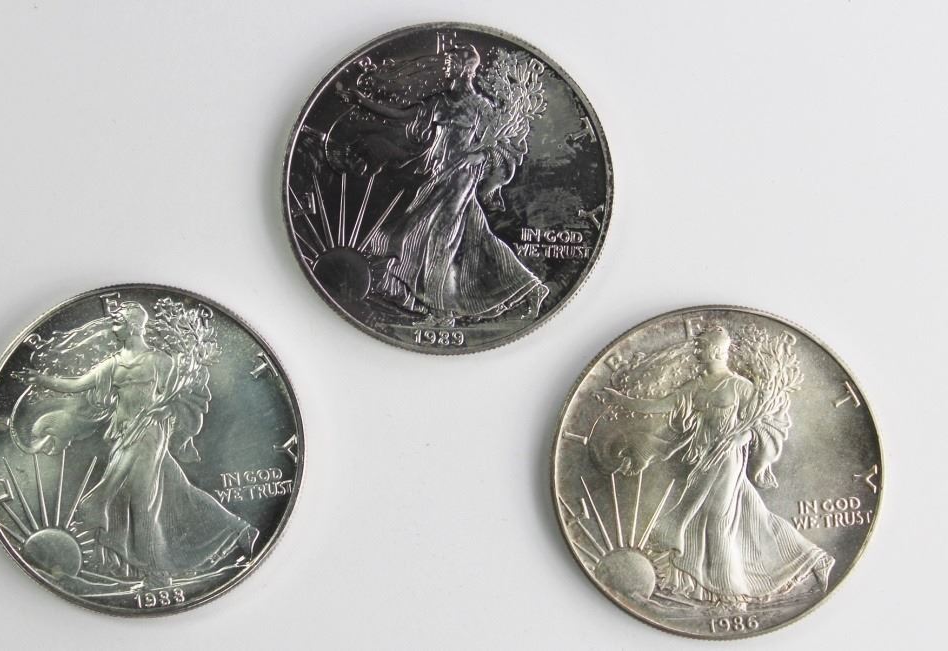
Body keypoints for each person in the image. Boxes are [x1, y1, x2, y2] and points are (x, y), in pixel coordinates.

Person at [18, 302, 257, 581]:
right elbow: (76, 384)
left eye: (117, 323)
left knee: (139, 500)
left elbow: (180, 397)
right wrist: (41, 379)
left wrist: (162, 410)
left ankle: (154, 568)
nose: (113, 328)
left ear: (132, 326)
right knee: (178, 490)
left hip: (149, 435)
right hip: (124, 436)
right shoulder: (113, 364)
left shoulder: (160, 361)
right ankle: (239, 530)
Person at [601, 327, 832, 606]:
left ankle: (731, 593)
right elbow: (658, 406)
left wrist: (738, 437)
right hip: (703, 461)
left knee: (717, 521)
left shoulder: (739, 386)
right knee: (749, 517)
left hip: (728, 460)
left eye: (700, 347)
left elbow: (760, 424)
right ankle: (812, 559)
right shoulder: (696, 386)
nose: (696, 352)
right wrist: (621, 400)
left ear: (715, 350)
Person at [335, 44, 549, 325]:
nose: (446, 67)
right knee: (475, 239)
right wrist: (362, 100)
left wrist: (480, 155)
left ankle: (441, 311)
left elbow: (503, 146)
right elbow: (401, 115)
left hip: (460, 179)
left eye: (452, 62)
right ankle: (531, 288)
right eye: (447, 62)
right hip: (440, 176)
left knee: (435, 239)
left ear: (466, 69)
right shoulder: (440, 102)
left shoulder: (481, 107)